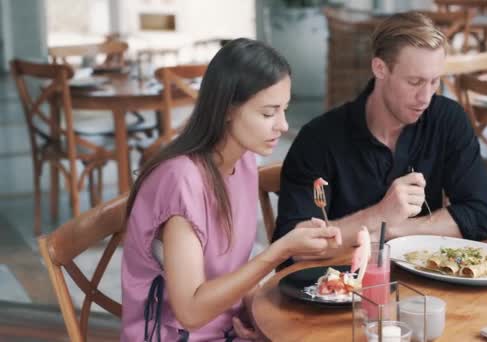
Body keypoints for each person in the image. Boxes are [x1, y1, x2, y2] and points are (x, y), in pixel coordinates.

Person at [121, 38, 342, 341]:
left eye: (284, 110)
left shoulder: (244, 161)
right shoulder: (181, 180)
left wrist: (258, 322)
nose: (282, 125)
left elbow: (232, 269)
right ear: (226, 109)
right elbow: (190, 313)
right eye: (268, 113)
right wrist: (281, 251)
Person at [273, 12, 487, 258]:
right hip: (339, 287)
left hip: (423, 286)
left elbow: (479, 216)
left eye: (434, 82)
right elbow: (293, 247)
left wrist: (391, 229)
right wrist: (380, 214)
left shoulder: (447, 119)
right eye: (414, 82)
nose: (425, 98)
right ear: (379, 68)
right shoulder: (319, 138)